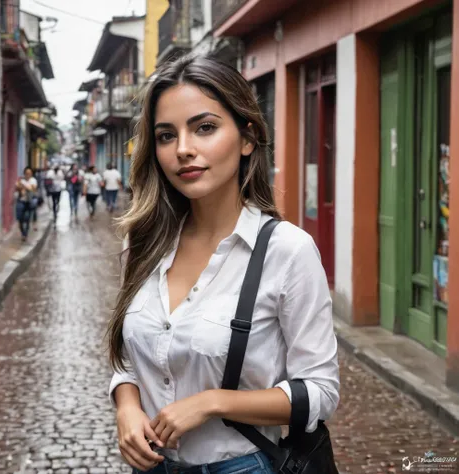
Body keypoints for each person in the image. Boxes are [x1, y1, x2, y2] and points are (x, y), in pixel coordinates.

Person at [107, 56, 339, 474]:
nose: (183, 149)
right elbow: (129, 356)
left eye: (205, 127)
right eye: (165, 135)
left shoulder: (287, 251)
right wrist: (126, 404)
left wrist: (212, 403)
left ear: (247, 137)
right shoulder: (144, 243)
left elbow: (320, 391)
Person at [15, 167, 38, 242]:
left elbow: (32, 189)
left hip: (29, 202)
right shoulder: (21, 180)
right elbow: (17, 187)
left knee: (27, 218)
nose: (28, 174)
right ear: (24, 173)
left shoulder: (33, 180)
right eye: (26, 173)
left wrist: (23, 186)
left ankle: (25, 234)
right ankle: (23, 232)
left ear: (31, 174)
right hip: (21, 201)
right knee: (20, 218)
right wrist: (21, 186)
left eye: (29, 173)